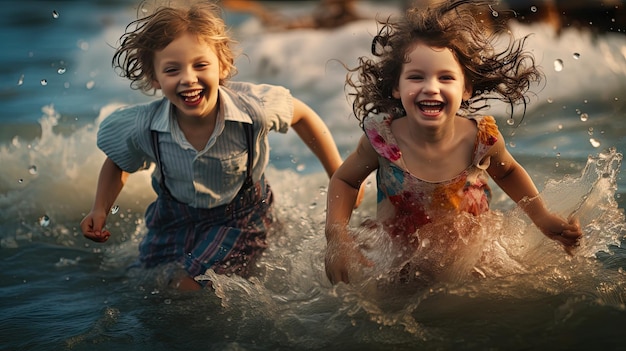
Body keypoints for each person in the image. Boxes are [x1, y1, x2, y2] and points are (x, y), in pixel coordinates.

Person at [80, 1, 347, 291]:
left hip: (239, 218)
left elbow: (304, 116)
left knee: (188, 286)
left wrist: (337, 175)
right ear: (154, 78)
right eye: (172, 70)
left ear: (223, 65)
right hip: (173, 218)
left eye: (201, 65)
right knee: (145, 282)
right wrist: (100, 209)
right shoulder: (144, 126)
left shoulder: (253, 109)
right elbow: (119, 161)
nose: (188, 78)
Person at [324, 0, 583, 285]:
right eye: (416, 77)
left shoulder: (480, 140)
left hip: (469, 261)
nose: (431, 87)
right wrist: (337, 236)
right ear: (397, 87)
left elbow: (508, 172)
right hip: (400, 262)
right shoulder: (382, 140)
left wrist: (542, 218)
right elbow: (345, 181)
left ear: (466, 89)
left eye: (446, 77)